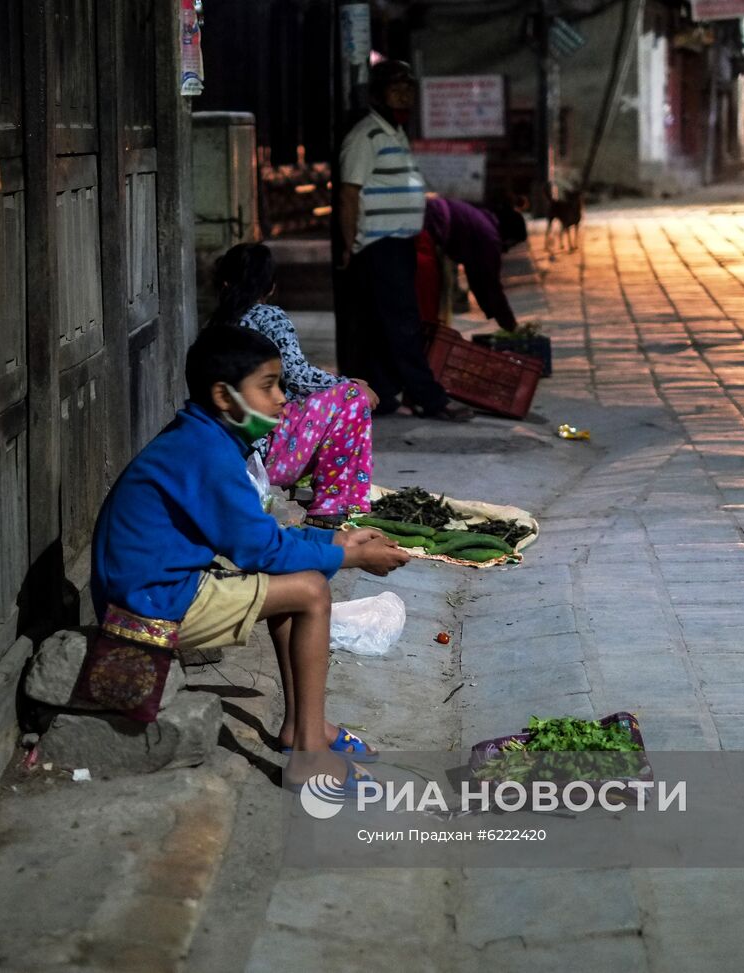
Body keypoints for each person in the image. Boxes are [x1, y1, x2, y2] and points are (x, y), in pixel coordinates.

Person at [90, 324, 410, 785]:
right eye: (268, 386)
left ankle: (303, 726)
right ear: (224, 396)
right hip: (149, 605)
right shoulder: (206, 454)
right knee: (311, 591)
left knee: (296, 582)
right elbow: (262, 551)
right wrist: (353, 558)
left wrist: (337, 543)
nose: (281, 398)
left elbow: (255, 538)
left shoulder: (204, 440)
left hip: (156, 587)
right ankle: (309, 758)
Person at [336, 58, 474, 422]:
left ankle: (383, 395)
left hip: (399, 243)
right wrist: (350, 244)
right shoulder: (366, 136)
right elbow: (349, 193)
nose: (403, 97)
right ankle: (429, 398)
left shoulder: (394, 133)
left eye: (408, 90)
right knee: (403, 323)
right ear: (378, 95)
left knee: (386, 324)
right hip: (380, 244)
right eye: (395, 90)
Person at [209, 243, 377, 526]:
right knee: (352, 397)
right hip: (264, 452)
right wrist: (351, 384)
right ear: (271, 287)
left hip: (233, 452)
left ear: (224, 284)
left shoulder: (215, 326)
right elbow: (298, 376)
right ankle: (332, 505)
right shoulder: (268, 316)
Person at [422, 196, 527, 333]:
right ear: (508, 234)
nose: (507, 250)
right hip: (428, 226)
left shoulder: (482, 220)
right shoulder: (490, 238)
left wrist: (491, 310)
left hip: (427, 217)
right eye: (512, 244)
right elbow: (492, 285)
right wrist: (511, 326)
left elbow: (475, 276)